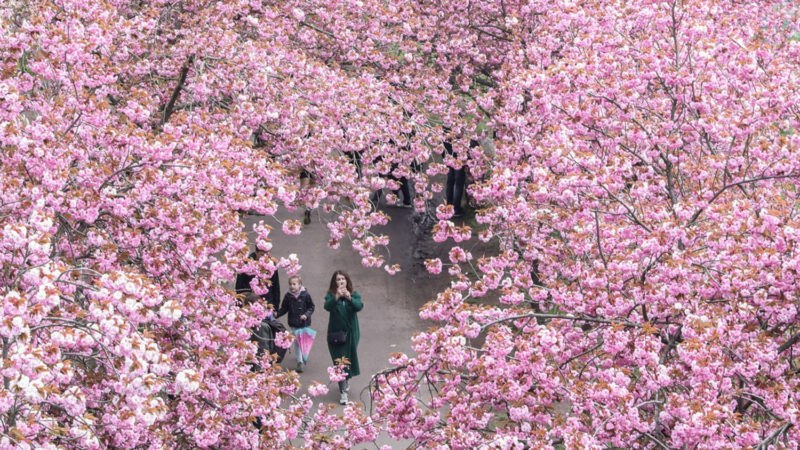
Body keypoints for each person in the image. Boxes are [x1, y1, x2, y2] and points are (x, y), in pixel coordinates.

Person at [324, 270, 363, 404]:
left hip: (351, 335)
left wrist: (349, 298)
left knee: (348, 360)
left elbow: (359, 306)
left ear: (347, 281)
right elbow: (327, 306)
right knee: (339, 362)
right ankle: (343, 392)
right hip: (336, 335)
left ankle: (345, 381)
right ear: (334, 282)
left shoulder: (353, 294)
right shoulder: (331, 295)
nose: (340, 281)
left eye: (342, 279)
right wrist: (336, 297)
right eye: (338, 279)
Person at [276, 275, 315, 372]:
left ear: (300, 285)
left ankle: (303, 354)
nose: (292, 286)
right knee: (297, 342)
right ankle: (300, 362)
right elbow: (284, 308)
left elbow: (311, 307)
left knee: (303, 341)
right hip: (293, 323)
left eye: (294, 284)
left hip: (304, 323)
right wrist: (277, 314)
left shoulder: (305, 295)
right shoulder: (288, 296)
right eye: (290, 284)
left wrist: (306, 315)